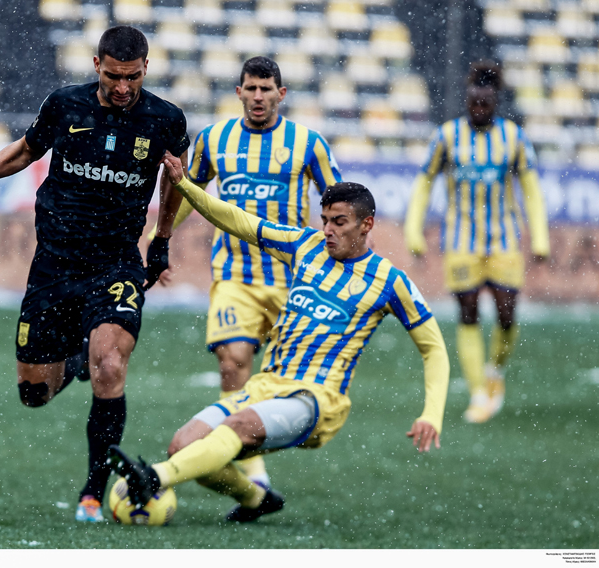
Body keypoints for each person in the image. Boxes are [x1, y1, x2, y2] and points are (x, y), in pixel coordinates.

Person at [107, 152, 449, 523]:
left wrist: (431, 414)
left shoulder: (390, 281)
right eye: (325, 220)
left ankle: (153, 477)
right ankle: (256, 498)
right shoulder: (306, 246)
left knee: (236, 428)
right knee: (183, 446)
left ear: (366, 225)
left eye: (339, 222)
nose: (328, 230)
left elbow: (433, 349)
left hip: (316, 397)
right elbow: (238, 220)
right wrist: (184, 185)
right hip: (267, 385)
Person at [0, 26, 190, 522]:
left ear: (146, 68)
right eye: (114, 76)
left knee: (111, 366)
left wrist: (161, 241)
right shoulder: (65, 104)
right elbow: (27, 148)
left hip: (115, 263)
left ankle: (93, 492)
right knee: (34, 393)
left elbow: (174, 177)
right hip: (54, 264)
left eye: (133, 77)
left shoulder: (165, 119)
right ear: (97, 65)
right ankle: (76, 360)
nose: (123, 87)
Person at [150, 56, 343, 488]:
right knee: (233, 362)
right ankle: (253, 472)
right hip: (235, 275)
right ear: (238, 92)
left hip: (293, 282)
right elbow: (189, 193)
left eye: (265, 89)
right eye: (250, 88)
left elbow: (337, 203)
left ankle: (252, 440)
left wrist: (344, 253)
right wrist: (157, 238)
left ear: (281, 94)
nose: (258, 96)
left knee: (289, 379)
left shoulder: (308, 143)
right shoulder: (214, 139)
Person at [404, 61, 550, 424]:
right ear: (467, 100)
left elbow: (531, 188)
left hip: (503, 239)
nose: (478, 108)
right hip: (461, 240)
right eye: (473, 102)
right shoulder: (447, 136)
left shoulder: (513, 137)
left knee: (506, 313)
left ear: (495, 101)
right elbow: (424, 183)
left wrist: (540, 236)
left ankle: (494, 371)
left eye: (485, 102)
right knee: (468, 312)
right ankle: (478, 393)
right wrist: (413, 229)